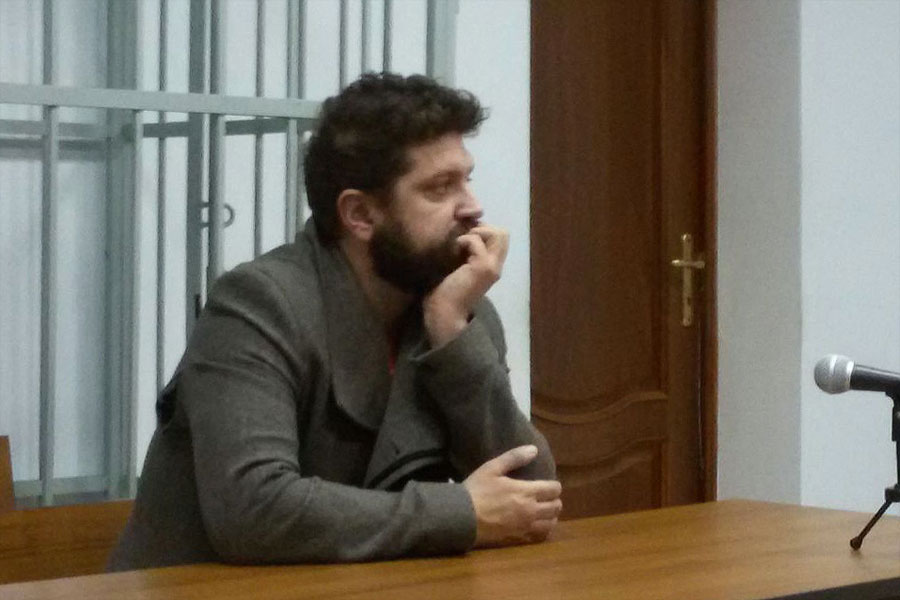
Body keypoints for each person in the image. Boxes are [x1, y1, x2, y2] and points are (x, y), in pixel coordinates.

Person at [108, 73, 560, 570]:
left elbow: (533, 494)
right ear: (359, 214)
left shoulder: (452, 304)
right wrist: (460, 512)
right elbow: (254, 510)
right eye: (440, 187)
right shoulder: (259, 303)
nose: (472, 206)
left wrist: (453, 333)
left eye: (467, 179)